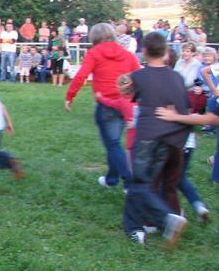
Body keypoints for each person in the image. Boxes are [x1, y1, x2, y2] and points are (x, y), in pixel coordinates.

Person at [120, 33, 190, 247]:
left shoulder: (140, 76)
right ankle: (134, 228)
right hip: (170, 139)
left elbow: (125, 89)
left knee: (140, 183)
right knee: (143, 183)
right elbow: (184, 108)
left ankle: (167, 219)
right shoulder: (177, 77)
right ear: (166, 51)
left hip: (148, 137)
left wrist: (123, 82)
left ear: (144, 52)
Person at [65, 22, 141, 190]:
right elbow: (140, 76)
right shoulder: (127, 54)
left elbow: (81, 75)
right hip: (125, 104)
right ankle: (111, 180)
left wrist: (70, 96)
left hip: (106, 105)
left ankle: (129, 182)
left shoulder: (94, 53)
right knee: (114, 144)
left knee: (113, 145)